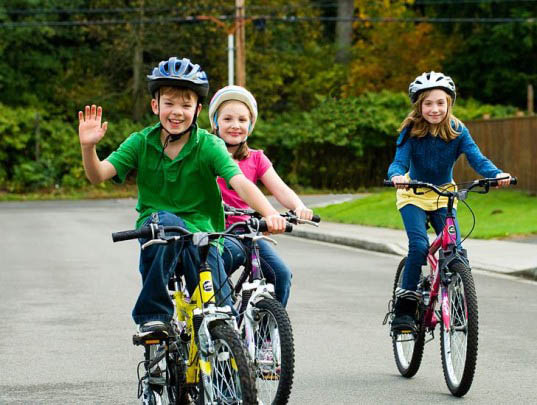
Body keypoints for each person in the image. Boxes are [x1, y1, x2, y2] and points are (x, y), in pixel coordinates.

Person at [77, 57, 286, 335]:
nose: (177, 112)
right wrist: (88, 149)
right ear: (155, 106)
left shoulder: (209, 144)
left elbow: (240, 182)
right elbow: (98, 174)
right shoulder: (140, 143)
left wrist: (269, 213)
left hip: (204, 235)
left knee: (222, 315)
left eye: (186, 105)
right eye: (169, 103)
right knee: (164, 223)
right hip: (161, 230)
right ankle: (154, 315)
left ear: (198, 109)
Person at [387, 71, 511, 332]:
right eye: (428, 103)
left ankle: (456, 305)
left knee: (455, 250)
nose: (435, 109)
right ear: (419, 105)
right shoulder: (411, 130)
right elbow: (399, 161)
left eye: (441, 103)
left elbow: (477, 159)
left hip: (444, 195)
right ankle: (405, 309)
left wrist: (496, 174)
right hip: (414, 195)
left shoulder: (458, 130)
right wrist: (397, 175)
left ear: (449, 104)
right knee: (419, 246)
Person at [208, 85, 313, 307]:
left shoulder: (256, 158)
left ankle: (267, 334)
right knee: (214, 277)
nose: (235, 125)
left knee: (281, 275)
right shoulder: (207, 154)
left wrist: (299, 206)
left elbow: (281, 189)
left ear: (250, 125)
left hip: (249, 231)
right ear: (215, 122)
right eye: (227, 119)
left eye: (242, 120)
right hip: (216, 232)